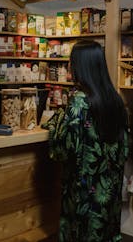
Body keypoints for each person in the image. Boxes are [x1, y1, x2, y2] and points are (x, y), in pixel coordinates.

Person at [44, 40, 128, 242]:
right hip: (109, 194)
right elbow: (123, 149)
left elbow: (61, 150)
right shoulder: (116, 100)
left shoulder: (79, 102)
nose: (69, 67)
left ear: (80, 66)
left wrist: (54, 122)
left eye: (72, 62)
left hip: (83, 195)